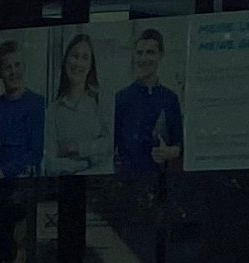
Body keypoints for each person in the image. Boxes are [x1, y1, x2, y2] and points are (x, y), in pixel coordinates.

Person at [115, 27, 182, 174]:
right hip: (128, 181)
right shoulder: (121, 99)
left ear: (160, 55)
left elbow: (181, 143)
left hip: (164, 180)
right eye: (140, 53)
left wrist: (171, 152)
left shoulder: (171, 98)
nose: (144, 59)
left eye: (150, 52)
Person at [42, 32, 111, 176]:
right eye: (74, 56)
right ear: (66, 60)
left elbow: (109, 146)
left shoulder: (102, 100)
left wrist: (77, 148)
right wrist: (86, 163)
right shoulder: (53, 110)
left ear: (91, 66)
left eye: (84, 58)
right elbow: (51, 164)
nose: (78, 63)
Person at [0, 37, 45, 178]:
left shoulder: (38, 104)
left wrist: (4, 173)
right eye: (8, 67)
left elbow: (36, 152)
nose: (13, 72)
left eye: (17, 65)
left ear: (24, 67)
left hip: (27, 185)